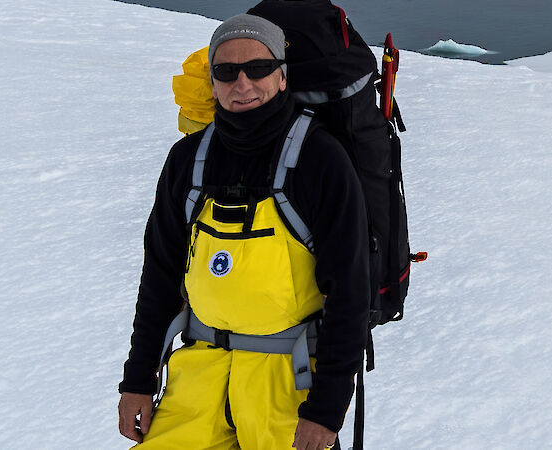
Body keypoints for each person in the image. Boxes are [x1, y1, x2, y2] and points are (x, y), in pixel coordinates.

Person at [118, 13, 370, 450]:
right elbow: (159, 276)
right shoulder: (188, 159)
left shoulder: (319, 159)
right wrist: (137, 379)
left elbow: (349, 292)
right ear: (212, 80)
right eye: (226, 71)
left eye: (258, 68)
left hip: (288, 385)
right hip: (199, 375)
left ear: (282, 76)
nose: (243, 83)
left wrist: (327, 411)